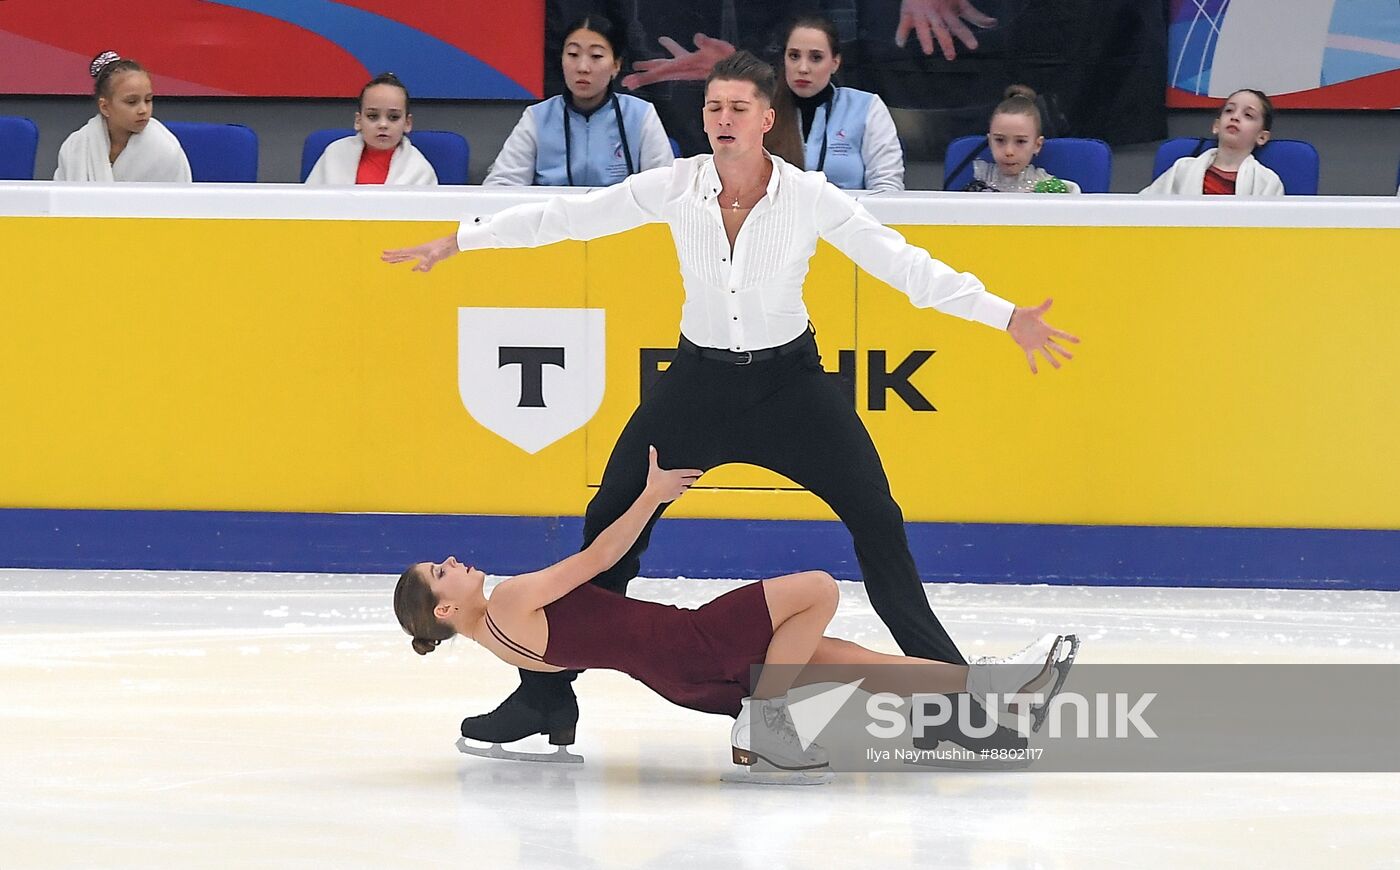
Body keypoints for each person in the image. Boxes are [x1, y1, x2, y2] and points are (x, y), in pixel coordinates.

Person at [382, 50, 1079, 765]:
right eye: (713, 108)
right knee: (614, 512)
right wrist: (464, 240)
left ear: (767, 120)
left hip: (791, 387)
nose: (722, 119)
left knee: (877, 519)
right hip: (698, 386)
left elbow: (905, 267)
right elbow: (573, 216)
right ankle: (546, 692)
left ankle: (948, 699)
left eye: (738, 108)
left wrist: (1004, 316)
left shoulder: (810, 196)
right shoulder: (676, 186)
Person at [395, 445, 1077, 773]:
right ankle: (768, 725)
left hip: (679, 672)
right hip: (692, 643)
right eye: (440, 570)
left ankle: (998, 693)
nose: (452, 560)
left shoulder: (500, 639)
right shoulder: (510, 601)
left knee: (863, 665)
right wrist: (653, 493)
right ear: (447, 606)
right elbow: (600, 557)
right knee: (818, 588)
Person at [485, 15, 674, 187]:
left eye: (596, 56)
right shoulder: (538, 117)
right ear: (561, 60)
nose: (583, 67)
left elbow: (664, 189)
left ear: (616, 65)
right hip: (550, 221)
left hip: (620, 222)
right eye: (573, 55)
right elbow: (501, 185)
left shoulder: (640, 115)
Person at [780, 14, 905, 192]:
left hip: (853, 218)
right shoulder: (761, 109)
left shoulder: (867, 107)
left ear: (835, 63)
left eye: (816, 58)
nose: (802, 68)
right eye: (794, 56)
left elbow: (887, 186)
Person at [54, 51, 192, 183]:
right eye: (131, 102)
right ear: (105, 107)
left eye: (148, 100)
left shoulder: (166, 149)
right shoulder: (76, 146)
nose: (143, 110)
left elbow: (179, 203)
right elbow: (60, 200)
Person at [1141, 89, 1283, 196]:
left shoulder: (1267, 181)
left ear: (1262, 137)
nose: (1235, 117)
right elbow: (1143, 208)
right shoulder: (1182, 169)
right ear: (1216, 126)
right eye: (1229, 110)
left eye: (1248, 115)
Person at [304, 72, 437, 186]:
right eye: (373, 116)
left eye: (393, 117)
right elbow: (309, 204)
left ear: (407, 123)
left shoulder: (419, 168)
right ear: (358, 121)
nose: (383, 124)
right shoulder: (334, 154)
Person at [961, 85, 1079, 193]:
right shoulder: (980, 183)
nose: (1009, 151)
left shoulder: (1049, 189)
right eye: (1000, 140)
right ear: (990, 141)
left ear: (1037, 145)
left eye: (1020, 141)